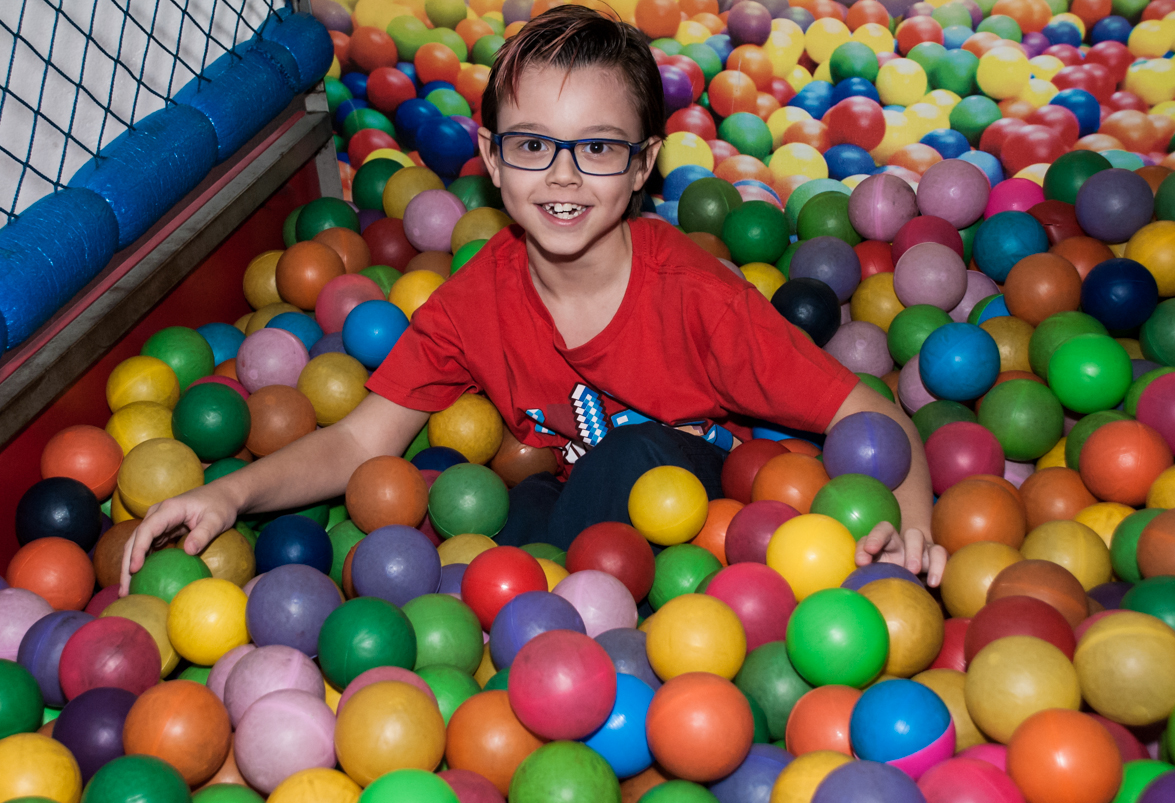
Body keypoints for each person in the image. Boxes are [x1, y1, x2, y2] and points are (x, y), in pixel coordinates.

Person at [121, 5, 946, 595]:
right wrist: (228, 492)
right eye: (532, 145)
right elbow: (356, 442)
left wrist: (908, 531)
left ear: (642, 163)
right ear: (490, 154)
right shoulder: (475, 301)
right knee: (511, 507)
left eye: (596, 147)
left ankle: (541, 620)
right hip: (585, 526)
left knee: (635, 456)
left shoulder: (698, 300)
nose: (560, 174)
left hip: (714, 522)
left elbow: (866, 412)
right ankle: (511, 633)